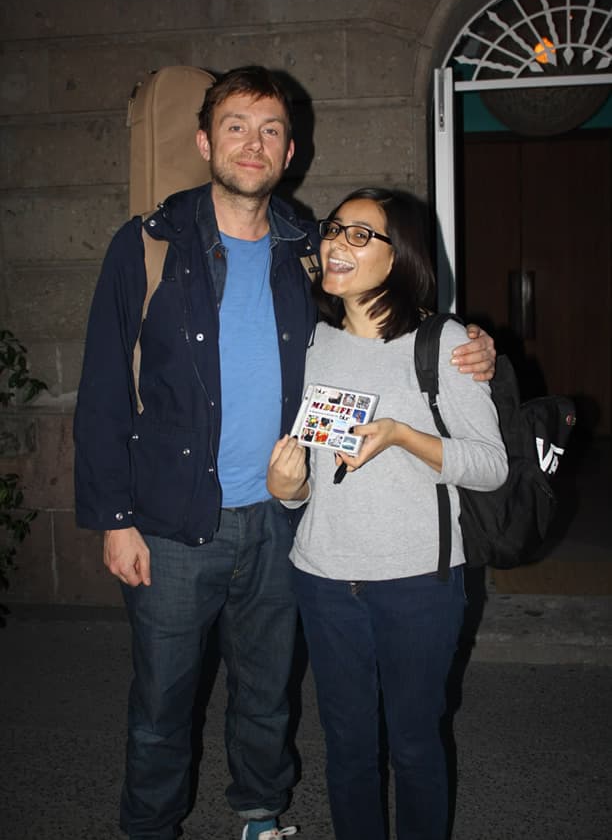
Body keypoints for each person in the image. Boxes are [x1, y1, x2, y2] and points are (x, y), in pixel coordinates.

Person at [73, 67, 496, 840]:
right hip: (171, 523)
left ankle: (259, 817)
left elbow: (386, 314)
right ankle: (149, 827)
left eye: (270, 130)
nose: (253, 143)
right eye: (235, 126)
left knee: (267, 695)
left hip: (282, 521)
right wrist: (114, 518)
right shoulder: (148, 245)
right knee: (162, 702)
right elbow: (103, 384)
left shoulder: (306, 251)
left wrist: (470, 345)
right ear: (206, 142)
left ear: (289, 151)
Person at [267, 188, 508, 840]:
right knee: (346, 746)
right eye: (334, 229)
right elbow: (311, 480)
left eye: (360, 234)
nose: (336, 243)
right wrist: (287, 488)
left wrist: (402, 435)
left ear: (398, 255)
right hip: (323, 577)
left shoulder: (443, 341)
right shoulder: (312, 342)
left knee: (414, 743)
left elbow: (491, 466)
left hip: (416, 582)